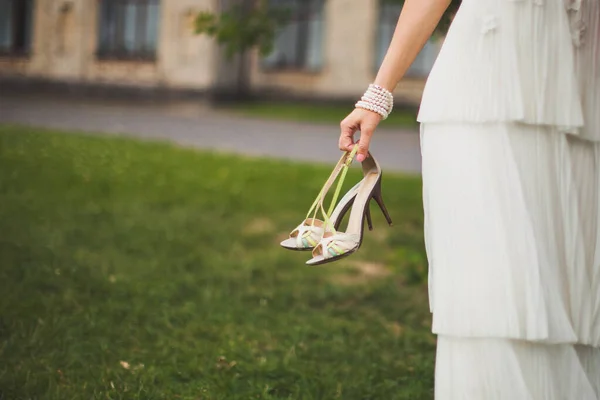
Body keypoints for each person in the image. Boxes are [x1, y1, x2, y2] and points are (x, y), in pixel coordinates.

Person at [340, 0, 600, 398]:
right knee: (495, 283)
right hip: (488, 91)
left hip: (577, 96)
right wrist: (377, 96)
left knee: (567, 284)